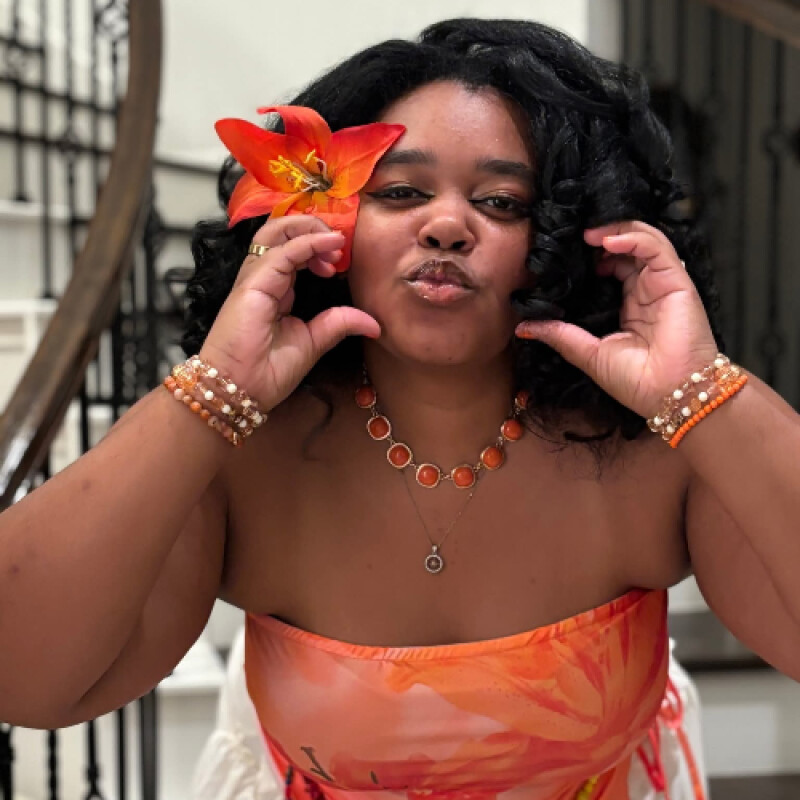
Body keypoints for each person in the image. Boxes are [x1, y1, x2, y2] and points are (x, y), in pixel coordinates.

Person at [1, 16, 799, 800]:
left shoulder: (656, 450)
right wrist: (209, 395)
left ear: (570, 237)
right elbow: (23, 680)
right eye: (402, 191)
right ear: (318, 224)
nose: (446, 225)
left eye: (503, 202)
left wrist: (706, 391)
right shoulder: (241, 458)